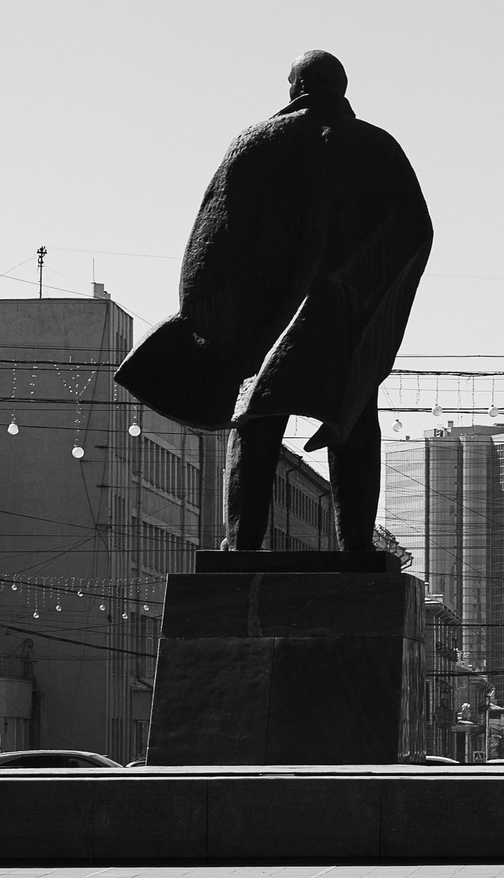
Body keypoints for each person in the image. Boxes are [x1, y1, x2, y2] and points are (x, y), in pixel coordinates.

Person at [115, 50, 434, 553]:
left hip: (268, 318)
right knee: (353, 419)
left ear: (296, 88)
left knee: (256, 421)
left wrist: (205, 315)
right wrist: (371, 304)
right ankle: (356, 546)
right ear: (340, 88)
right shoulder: (378, 146)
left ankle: (241, 543)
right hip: (345, 319)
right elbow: (415, 231)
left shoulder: (259, 140)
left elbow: (213, 235)